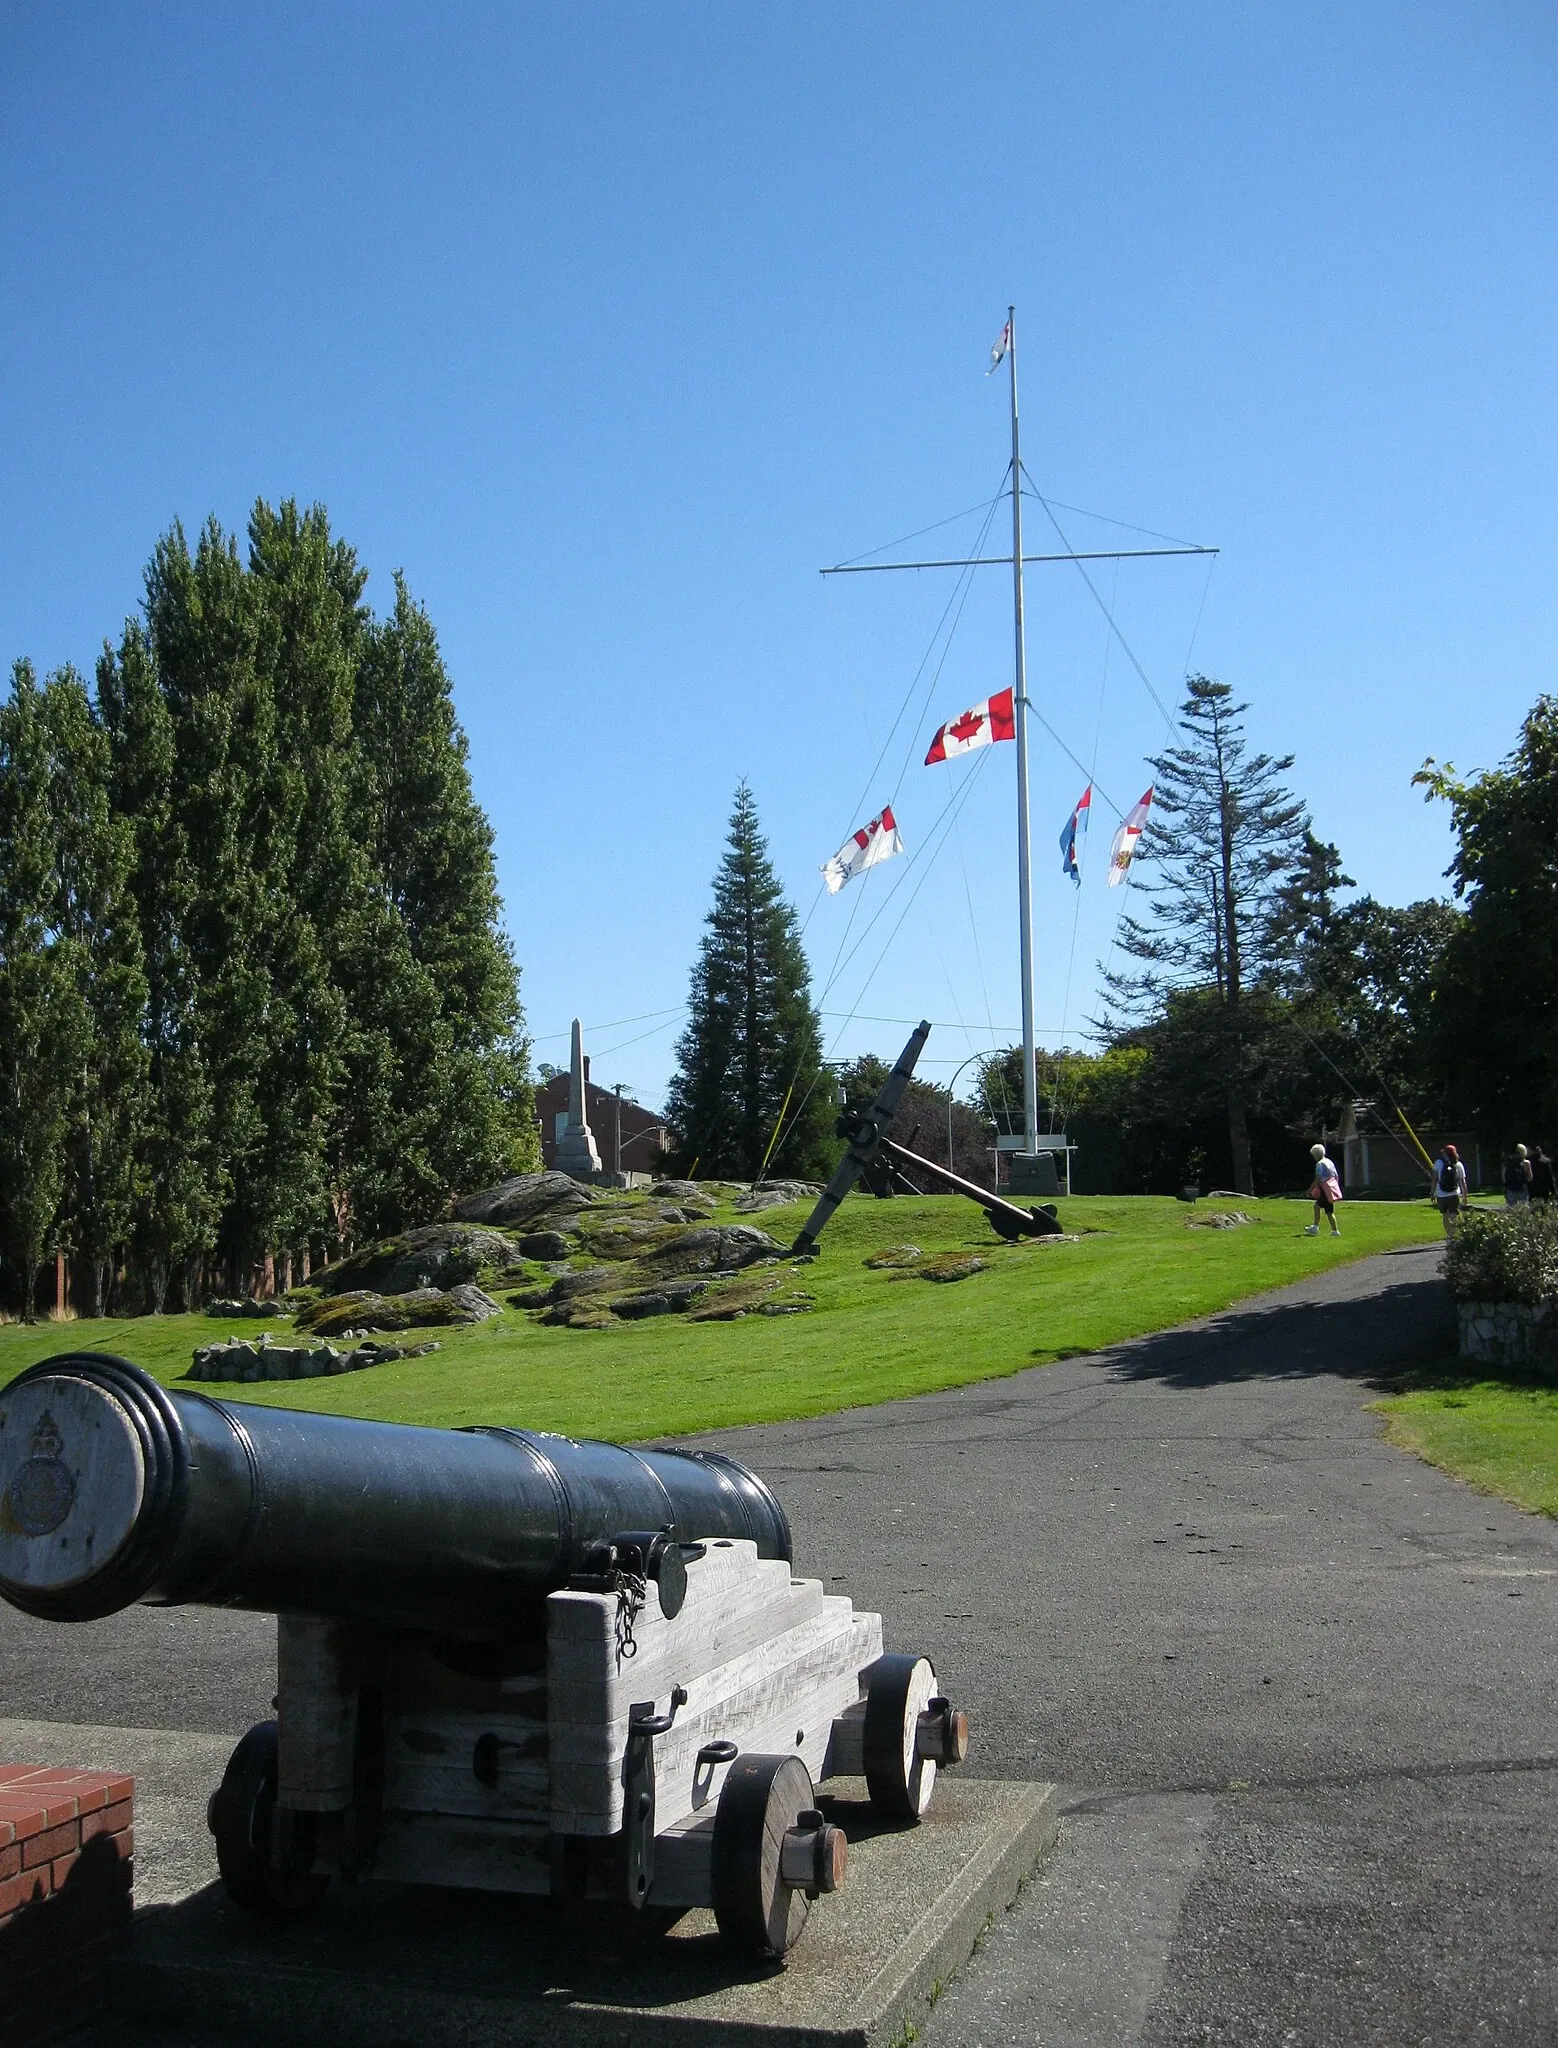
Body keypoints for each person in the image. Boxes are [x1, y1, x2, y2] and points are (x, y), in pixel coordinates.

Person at [1305, 1142, 1343, 1237]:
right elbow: (1335, 1175)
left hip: (1325, 1190)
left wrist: (1310, 1190)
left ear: (1316, 1154)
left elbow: (1318, 1178)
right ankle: (1335, 1231)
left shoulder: (1319, 1164)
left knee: (1317, 1207)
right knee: (1329, 1212)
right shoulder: (1329, 1162)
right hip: (1330, 1190)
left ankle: (1315, 1227)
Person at [1432, 1143, 1467, 1235]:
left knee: (1445, 1216)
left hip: (1441, 1194)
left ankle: (1448, 1234)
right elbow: (1463, 1182)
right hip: (1454, 1193)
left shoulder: (1438, 1163)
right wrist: (1465, 1196)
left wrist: (1432, 1192)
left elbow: (1434, 1179)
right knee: (1453, 1216)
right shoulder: (1458, 1164)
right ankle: (1453, 1234)